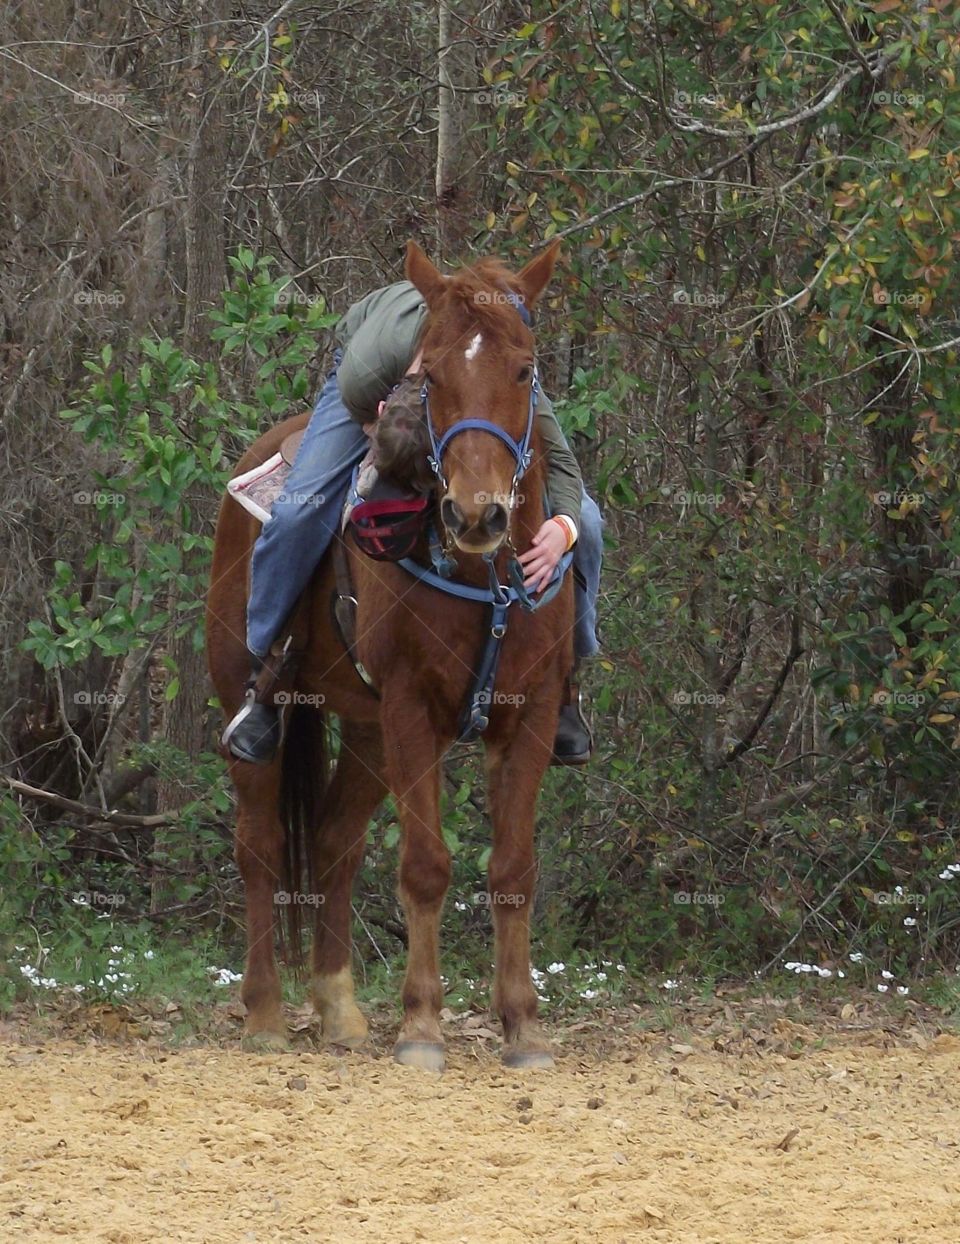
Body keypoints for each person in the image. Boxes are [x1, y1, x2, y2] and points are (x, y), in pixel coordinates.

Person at [225, 278, 603, 765]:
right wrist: (377, 424)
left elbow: (565, 466)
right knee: (301, 506)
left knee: (589, 521)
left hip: (478, 376)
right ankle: (265, 678)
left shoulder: (499, 358)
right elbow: (358, 400)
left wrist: (564, 527)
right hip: (366, 390)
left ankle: (569, 686)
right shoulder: (377, 358)